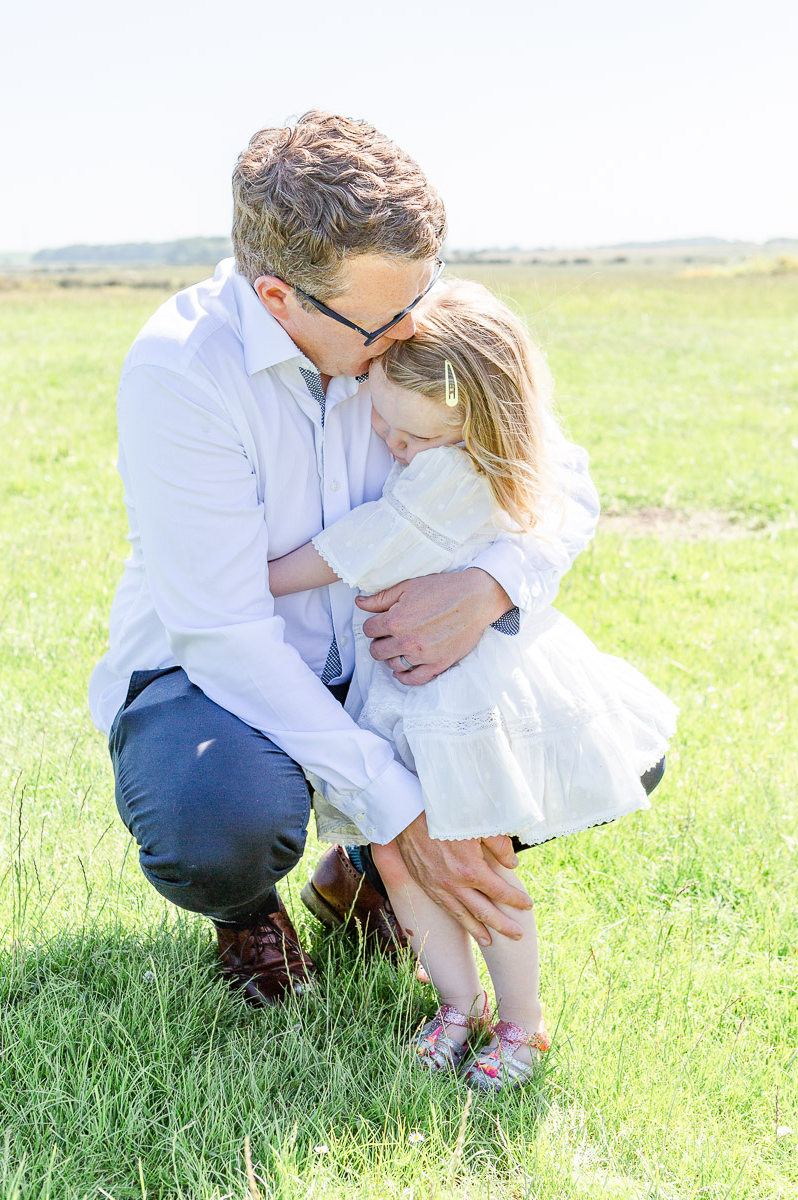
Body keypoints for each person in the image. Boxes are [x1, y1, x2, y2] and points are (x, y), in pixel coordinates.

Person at [89, 111, 603, 1007]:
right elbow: (223, 632)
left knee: (584, 736)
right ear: (280, 299)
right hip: (213, 674)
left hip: (382, 661)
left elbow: (560, 483)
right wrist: (403, 809)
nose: (414, 330)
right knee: (216, 819)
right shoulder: (179, 371)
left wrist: (492, 586)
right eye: (386, 318)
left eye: (425, 292)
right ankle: (249, 908)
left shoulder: (415, 316)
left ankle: (360, 884)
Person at [267, 280, 677, 1089]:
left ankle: (523, 1023)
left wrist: (257, 573)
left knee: (472, 847)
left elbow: (367, 544)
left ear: (468, 423)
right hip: (407, 688)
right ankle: (457, 1003)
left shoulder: (454, 469)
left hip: (463, 695)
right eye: (379, 421)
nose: (388, 442)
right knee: (396, 844)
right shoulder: (431, 415)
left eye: (408, 437)